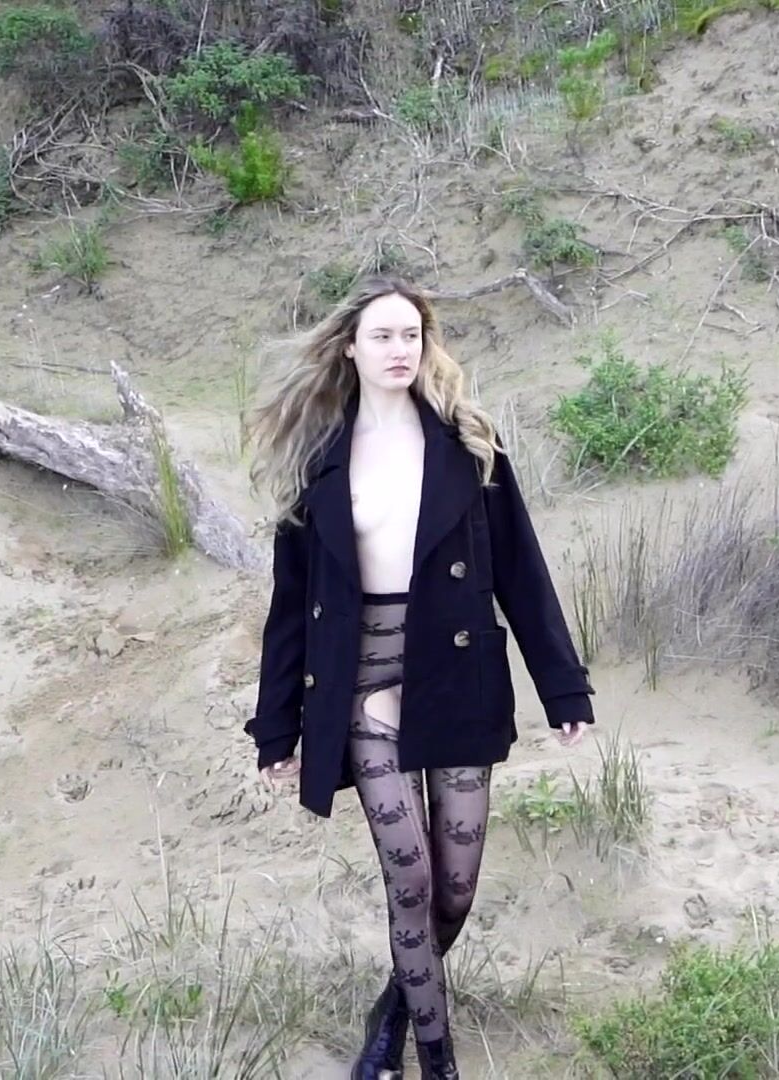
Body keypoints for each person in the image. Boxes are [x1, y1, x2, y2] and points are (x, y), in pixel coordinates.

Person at [243, 274, 597, 1079]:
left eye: (412, 335)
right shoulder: (319, 462)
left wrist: (563, 687)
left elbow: (522, 572)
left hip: (456, 675)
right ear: (350, 348)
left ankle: (395, 1005)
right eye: (383, 336)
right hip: (363, 683)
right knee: (410, 877)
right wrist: (276, 730)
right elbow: (290, 609)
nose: (400, 349)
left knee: (454, 890)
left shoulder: (469, 444)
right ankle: (434, 1062)